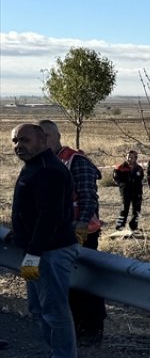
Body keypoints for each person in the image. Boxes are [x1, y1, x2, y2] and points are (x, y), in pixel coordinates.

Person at [9, 123, 80, 358]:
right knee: (39, 308)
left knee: (53, 309)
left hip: (51, 252)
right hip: (40, 250)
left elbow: (49, 218)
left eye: (25, 140)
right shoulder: (36, 167)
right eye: (15, 141)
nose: (19, 146)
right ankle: (55, 356)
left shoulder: (49, 171)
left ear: (42, 140)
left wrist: (34, 253)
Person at [38, 120, 107, 346]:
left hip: (82, 234)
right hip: (58, 236)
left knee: (84, 285)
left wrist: (81, 226)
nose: (44, 140)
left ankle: (92, 328)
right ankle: (77, 328)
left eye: (47, 135)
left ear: (57, 136)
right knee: (67, 286)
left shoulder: (76, 161)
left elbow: (88, 197)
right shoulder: (45, 163)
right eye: (40, 137)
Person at [113, 149, 145, 231]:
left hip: (137, 192)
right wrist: (123, 185)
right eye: (128, 157)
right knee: (124, 209)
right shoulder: (120, 167)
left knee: (137, 210)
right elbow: (116, 178)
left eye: (131, 157)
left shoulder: (139, 168)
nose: (129, 159)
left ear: (135, 158)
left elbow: (141, 178)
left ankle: (134, 226)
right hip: (125, 191)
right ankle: (120, 226)